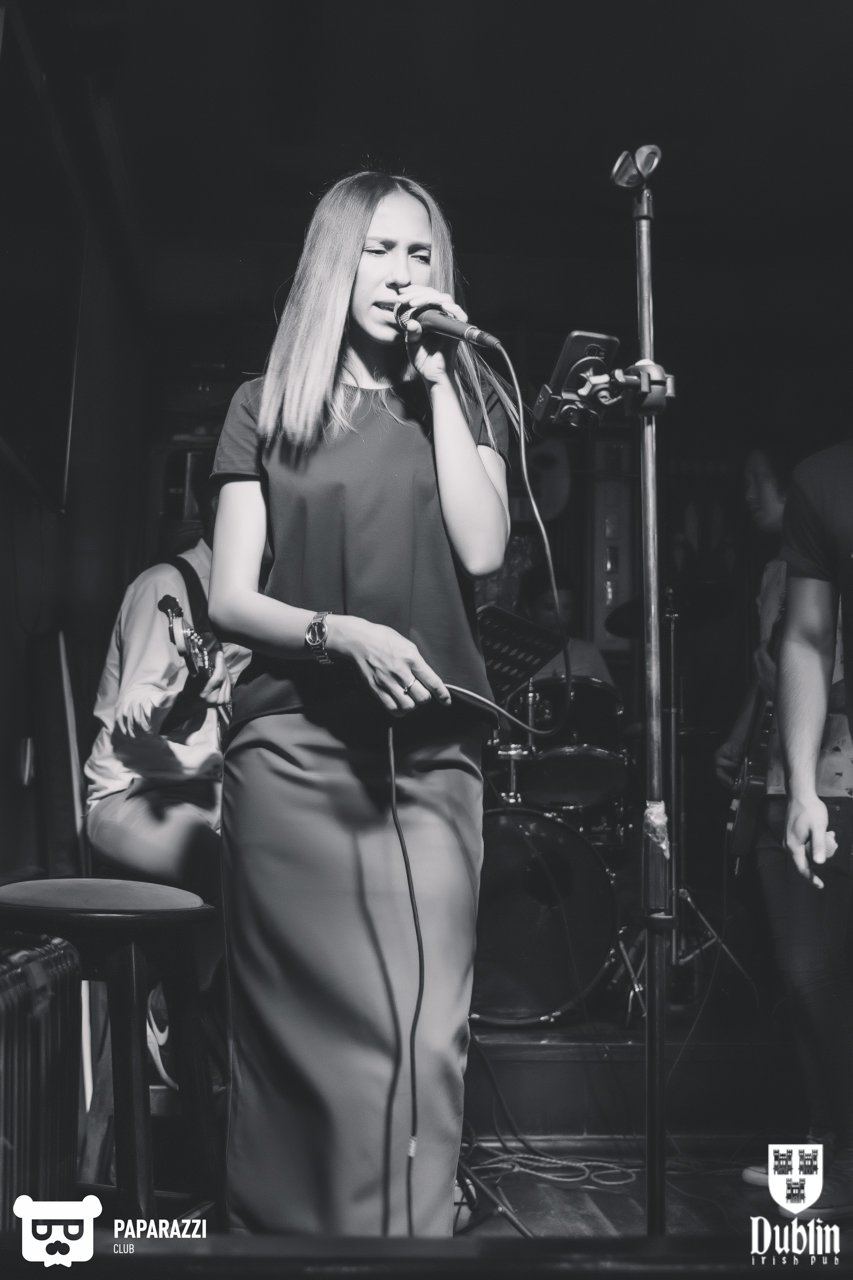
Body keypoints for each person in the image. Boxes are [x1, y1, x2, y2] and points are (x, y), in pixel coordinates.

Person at [208, 171, 516, 1236]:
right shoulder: (264, 403)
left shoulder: (464, 395)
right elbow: (229, 597)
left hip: (433, 757)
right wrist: (339, 632)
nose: (398, 273)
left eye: (418, 253)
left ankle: (407, 1244)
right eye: (377, 251)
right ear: (334, 264)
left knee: (423, 1037)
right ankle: (287, 1246)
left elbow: (483, 547)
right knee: (304, 1048)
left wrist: (443, 384)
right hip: (292, 751)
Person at [714, 444, 852, 1202]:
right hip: (805, 775)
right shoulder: (819, 497)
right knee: (800, 980)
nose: (746, 495)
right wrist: (768, 764)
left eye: (752, 480)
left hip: (815, 768)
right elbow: (791, 656)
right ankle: (820, 1165)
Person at [84, 474, 251, 1078]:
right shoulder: (168, 587)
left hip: (204, 793)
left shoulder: (250, 603)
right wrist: (165, 704)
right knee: (214, 857)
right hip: (130, 796)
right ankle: (176, 1003)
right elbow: (134, 731)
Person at [772, 434, 853, 1217]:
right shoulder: (824, 480)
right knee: (812, 972)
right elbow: (804, 636)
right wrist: (801, 786)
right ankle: (832, 1155)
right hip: (841, 763)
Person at [518, 563, 613, 685]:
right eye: (550, 607)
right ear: (528, 609)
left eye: (566, 607)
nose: (560, 616)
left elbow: (607, 694)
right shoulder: (515, 654)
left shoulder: (588, 653)